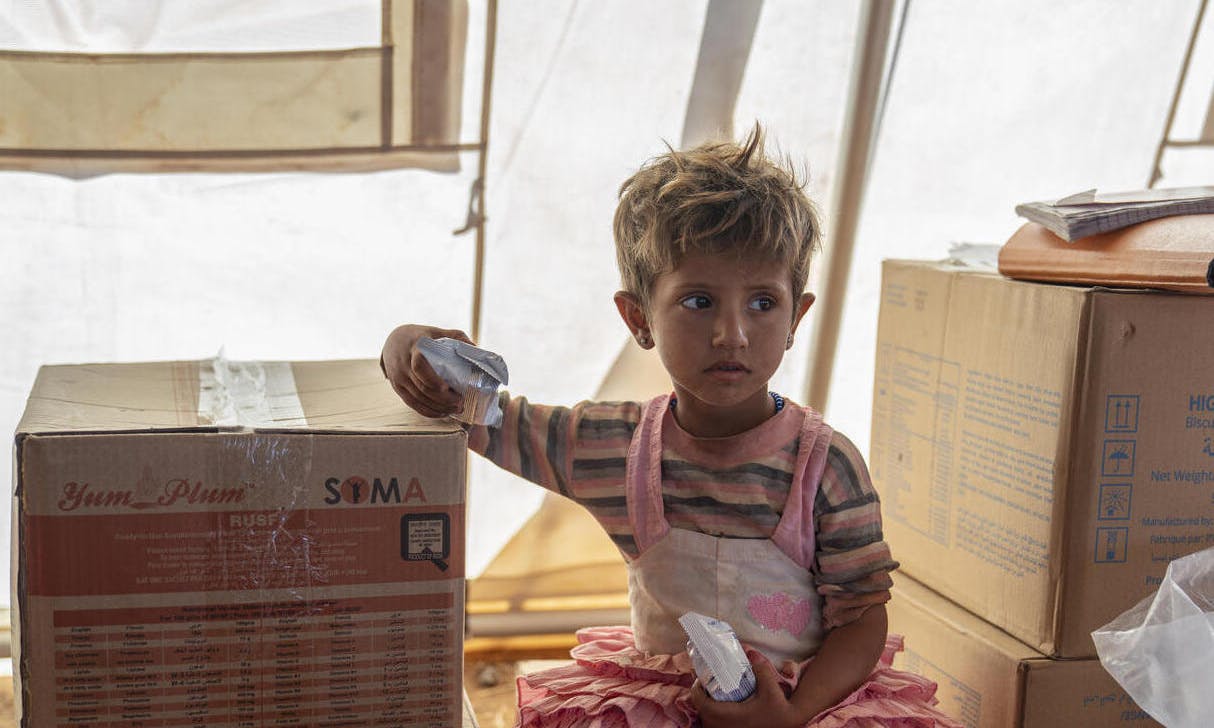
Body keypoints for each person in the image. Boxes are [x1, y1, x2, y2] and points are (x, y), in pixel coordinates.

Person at [381, 125, 961, 728]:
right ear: (639, 318)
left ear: (797, 316)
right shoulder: (610, 449)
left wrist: (790, 716)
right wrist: (406, 346)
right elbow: (482, 418)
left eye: (763, 303)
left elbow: (862, 617)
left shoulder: (828, 466)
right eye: (699, 301)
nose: (731, 334)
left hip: (806, 708)